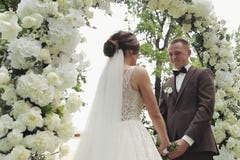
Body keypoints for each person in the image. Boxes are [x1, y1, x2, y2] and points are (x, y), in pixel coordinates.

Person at [74, 31, 170, 160]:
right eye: (137, 53)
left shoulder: (105, 77)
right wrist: (165, 141)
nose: (138, 57)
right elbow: (155, 114)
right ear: (130, 51)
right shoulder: (138, 73)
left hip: (106, 137)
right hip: (131, 135)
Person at [159, 38, 219, 160]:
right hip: (173, 150)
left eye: (177, 53)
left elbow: (206, 108)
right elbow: (161, 116)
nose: (173, 57)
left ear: (189, 52)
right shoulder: (166, 85)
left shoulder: (202, 74)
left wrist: (186, 141)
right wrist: (164, 142)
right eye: (170, 54)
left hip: (199, 147)